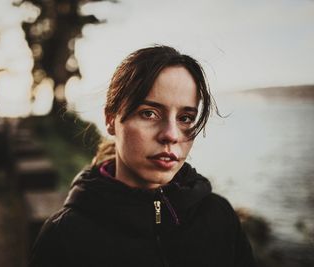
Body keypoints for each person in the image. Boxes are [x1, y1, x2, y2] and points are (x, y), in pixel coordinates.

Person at [29, 45, 257, 267]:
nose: (170, 135)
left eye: (185, 118)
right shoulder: (64, 236)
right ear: (111, 119)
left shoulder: (219, 216)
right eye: (149, 113)